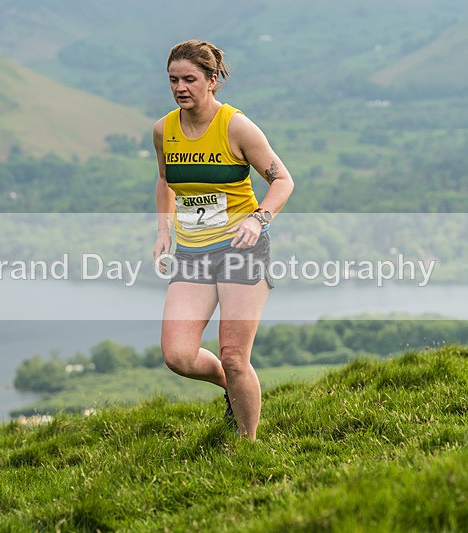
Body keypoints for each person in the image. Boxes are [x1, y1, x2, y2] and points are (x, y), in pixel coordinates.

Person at [152, 40, 294, 440]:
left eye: (190, 79)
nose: (180, 87)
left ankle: (247, 446)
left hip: (241, 250)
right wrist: (163, 231)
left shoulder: (235, 126)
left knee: (234, 356)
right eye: (173, 80)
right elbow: (165, 180)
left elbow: (283, 180)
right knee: (178, 355)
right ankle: (230, 389)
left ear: (212, 80)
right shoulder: (164, 130)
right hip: (192, 254)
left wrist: (258, 220)